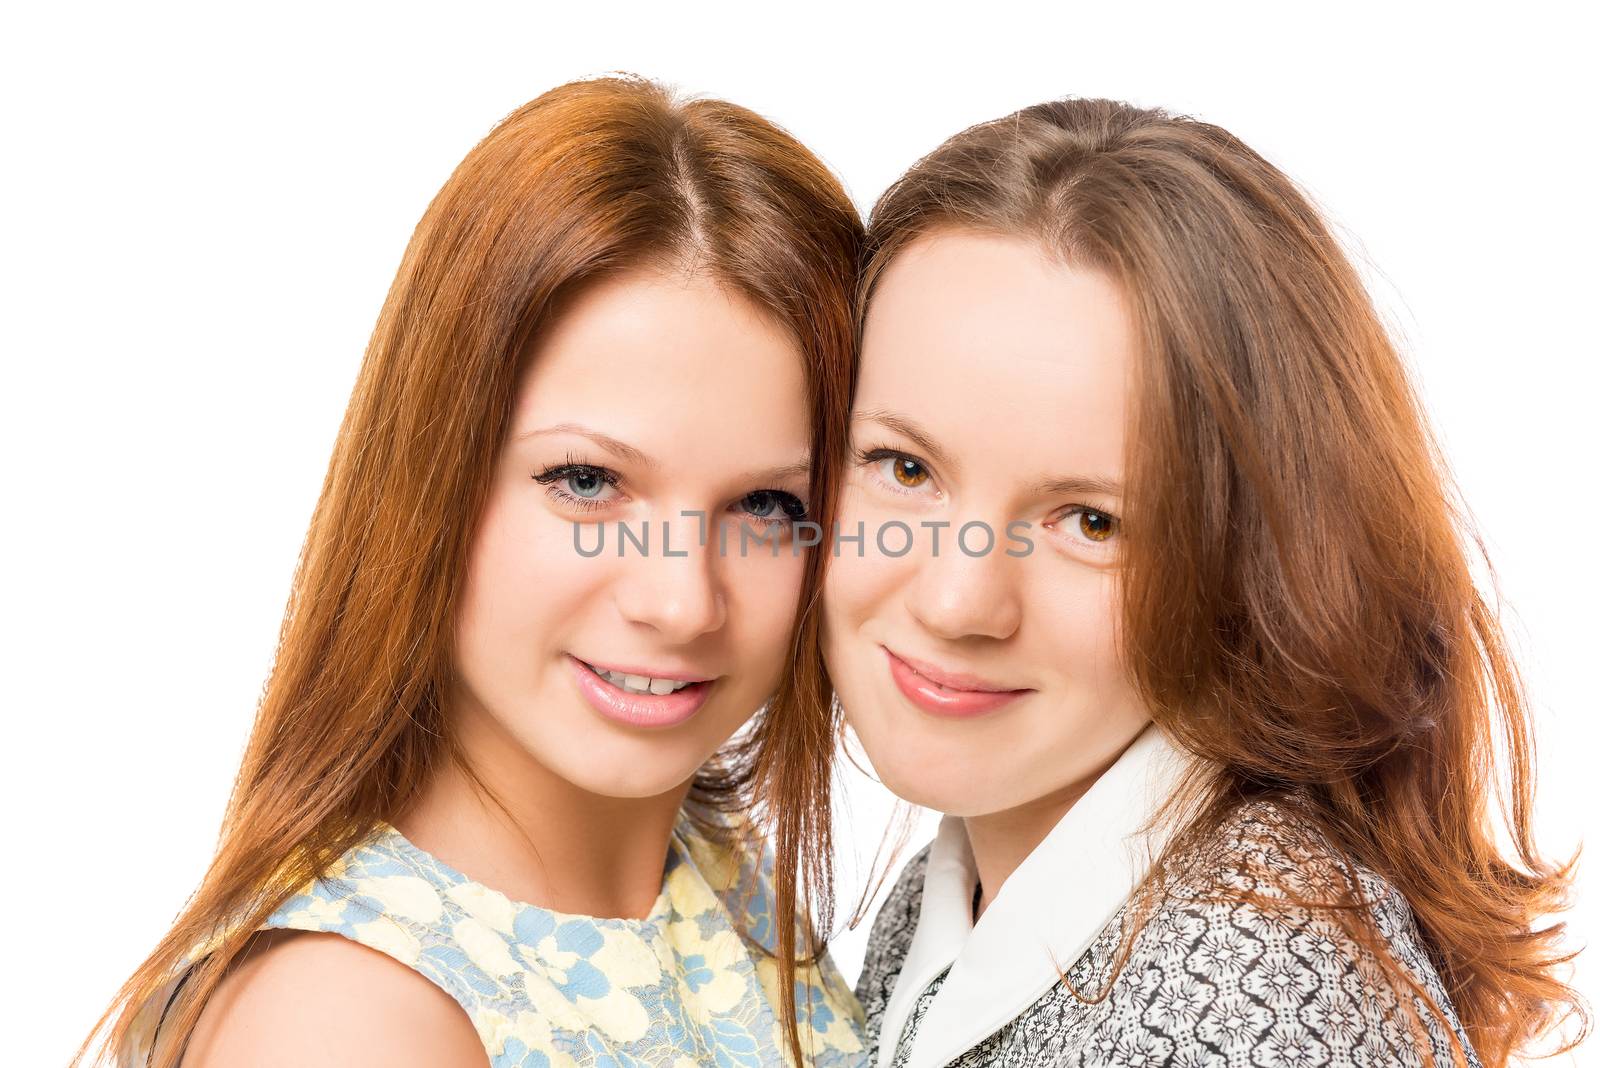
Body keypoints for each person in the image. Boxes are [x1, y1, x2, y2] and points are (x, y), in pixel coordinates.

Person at [78, 75, 867, 1068]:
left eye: (766, 507)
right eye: (586, 481)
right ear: (428, 477)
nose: (679, 601)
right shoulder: (345, 1021)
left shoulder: (711, 875)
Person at [827, 97, 1582, 1067]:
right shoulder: (963, 886)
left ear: (1252, 566)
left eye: (1091, 522)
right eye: (903, 468)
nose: (955, 600)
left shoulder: (1253, 996)